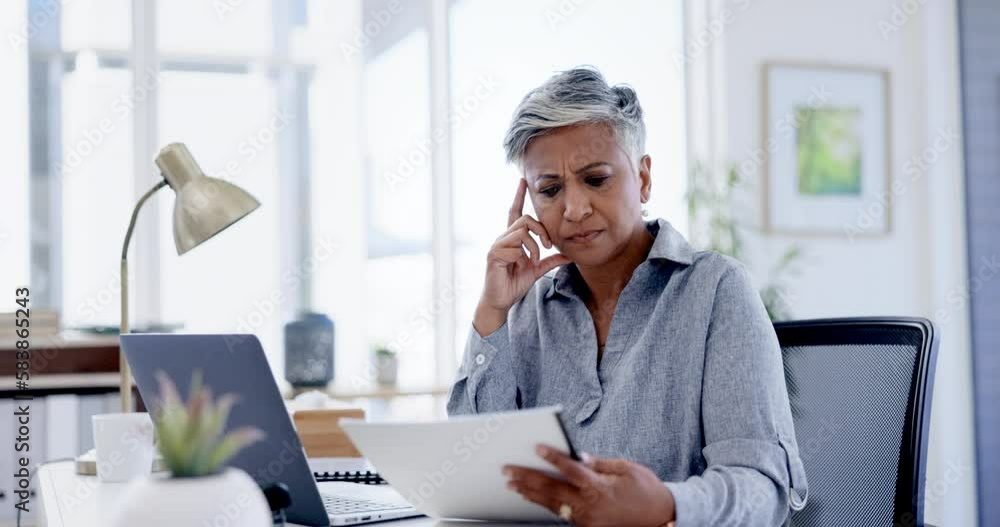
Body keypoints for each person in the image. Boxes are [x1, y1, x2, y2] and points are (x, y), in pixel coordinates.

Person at [445, 67, 808, 526]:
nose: (574, 209)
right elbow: (477, 476)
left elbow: (764, 490)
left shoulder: (716, 291)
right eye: (550, 190)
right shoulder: (528, 307)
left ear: (643, 178)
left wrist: (666, 506)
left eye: (595, 179)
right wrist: (492, 311)